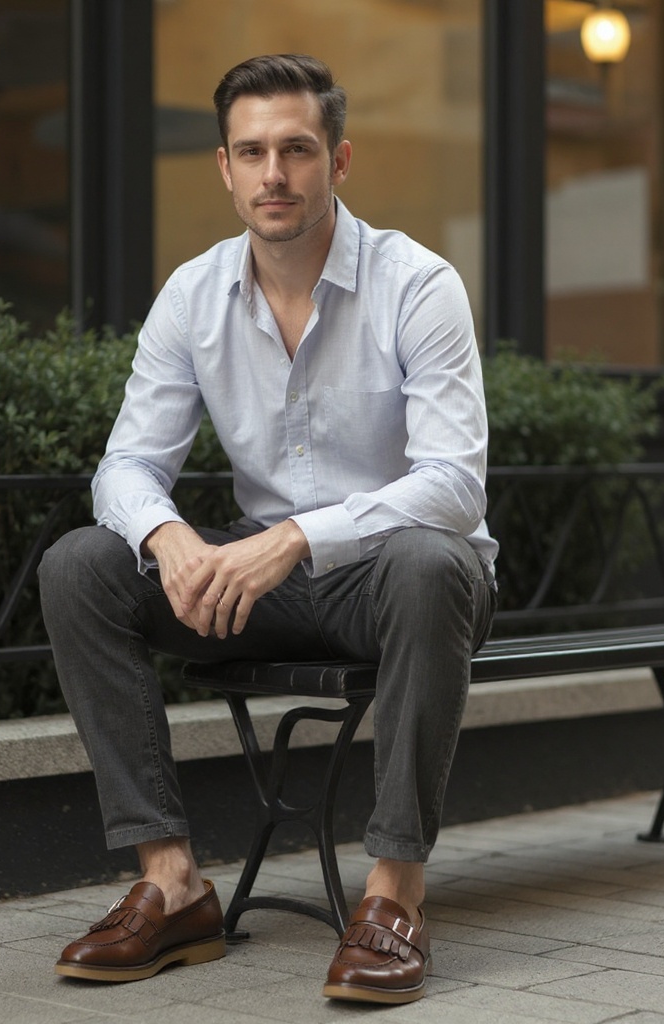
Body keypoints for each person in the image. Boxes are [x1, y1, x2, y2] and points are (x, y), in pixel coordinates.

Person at [38, 53, 497, 1005]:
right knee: (82, 565)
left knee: (427, 561)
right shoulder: (193, 295)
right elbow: (125, 467)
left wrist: (298, 536)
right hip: (264, 583)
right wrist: (169, 538)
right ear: (224, 167)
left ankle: (395, 895)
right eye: (252, 152)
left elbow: (454, 486)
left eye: (296, 148)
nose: (274, 174)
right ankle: (171, 882)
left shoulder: (417, 283)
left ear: (339, 158)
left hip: (393, 583)